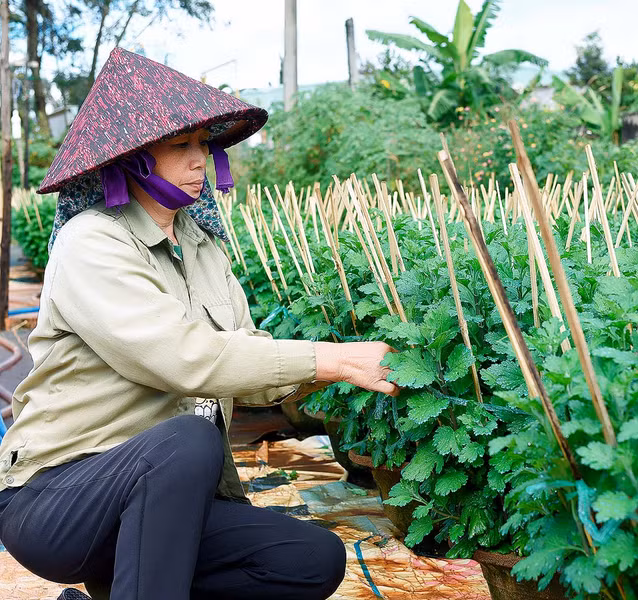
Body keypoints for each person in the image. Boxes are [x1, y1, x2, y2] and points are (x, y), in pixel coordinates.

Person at [0, 48, 397, 600]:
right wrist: (335, 358)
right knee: (187, 441)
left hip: (161, 500)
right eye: (180, 145)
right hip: (59, 498)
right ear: (134, 157)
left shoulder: (201, 244)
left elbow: (248, 360)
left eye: (203, 145)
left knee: (311, 558)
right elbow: (186, 359)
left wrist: (344, 368)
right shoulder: (90, 241)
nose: (199, 161)